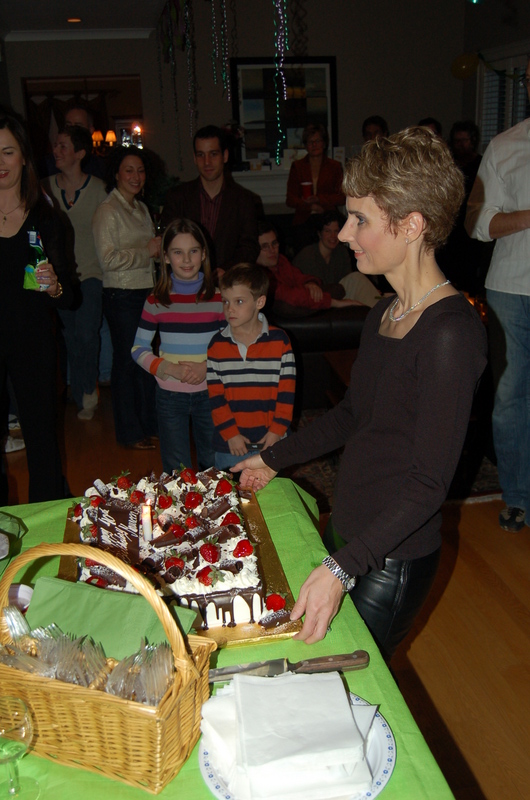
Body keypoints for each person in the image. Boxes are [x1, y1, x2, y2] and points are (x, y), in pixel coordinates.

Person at [234, 127, 487, 659]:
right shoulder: (384, 313)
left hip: (390, 559)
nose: (346, 232)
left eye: (360, 219)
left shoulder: (450, 333)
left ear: (412, 225)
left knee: (344, 679)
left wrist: (341, 568)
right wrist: (272, 458)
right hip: (350, 532)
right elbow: (352, 414)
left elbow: (428, 482)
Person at [465, 60, 530, 533]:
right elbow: (476, 221)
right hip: (510, 290)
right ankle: (519, 497)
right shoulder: (506, 145)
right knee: (510, 399)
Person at [0, 107, 73, 501]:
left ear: (24, 156)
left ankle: (47, 521)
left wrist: (55, 287)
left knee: (42, 441)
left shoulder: (45, 219)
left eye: (7, 151)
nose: (0, 162)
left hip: (33, 342)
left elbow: (71, 296)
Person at [131, 218, 225, 472]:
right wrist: (168, 368)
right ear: (165, 257)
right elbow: (138, 349)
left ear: (203, 254)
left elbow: (230, 347)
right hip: (170, 396)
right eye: (178, 252)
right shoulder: (156, 300)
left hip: (211, 393)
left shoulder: (219, 298)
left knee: (214, 463)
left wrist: (207, 367)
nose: (186, 259)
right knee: (176, 468)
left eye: (193, 251)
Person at [93, 145, 160, 450]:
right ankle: (130, 432)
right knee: (127, 363)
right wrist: (146, 251)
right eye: (129, 170)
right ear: (117, 174)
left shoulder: (140, 208)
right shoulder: (108, 210)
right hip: (121, 295)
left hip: (145, 292)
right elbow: (108, 260)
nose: (136, 176)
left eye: (140, 170)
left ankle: (149, 425)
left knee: (145, 361)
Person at [42, 125, 107, 420]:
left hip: (91, 273)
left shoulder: (99, 189)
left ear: (80, 153)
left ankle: (87, 393)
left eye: (63, 146)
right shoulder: (44, 188)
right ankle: (79, 390)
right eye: (56, 145)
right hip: (59, 276)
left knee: (87, 334)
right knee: (70, 336)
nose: (56, 151)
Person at [207, 263, 296, 471]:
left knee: (275, 490)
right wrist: (231, 434)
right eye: (225, 301)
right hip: (230, 445)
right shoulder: (216, 345)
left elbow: (286, 394)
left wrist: (276, 431)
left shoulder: (280, 341)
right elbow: (216, 397)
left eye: (239, 301)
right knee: (230, 491)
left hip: (272, 441)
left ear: (259, 302)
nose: (230, 309)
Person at [161, 125, 259, 274]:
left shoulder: (244, 200)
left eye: (213, 154)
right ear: (194, 158)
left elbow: (249, 247)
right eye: (201, 155)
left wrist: (226, 270)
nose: (207, 162)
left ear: (225, 156)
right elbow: (167, 241)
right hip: (185, 279)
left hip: (228, 281)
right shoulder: (177, 197)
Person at [437, 121, 493, 295]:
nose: (460, 145)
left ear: (472, 141)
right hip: (450, 229)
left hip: (471, 231)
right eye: (457, 141)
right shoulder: (449, 165)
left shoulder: (482, 165)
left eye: (464, 140)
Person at [257, 221, 355, 317]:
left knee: (337, 289)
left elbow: (298, 276)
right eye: (265, 246)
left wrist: (310, 282)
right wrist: (333, 303)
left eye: (274, 243)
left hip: (300, 296)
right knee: (286, 305)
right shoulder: (259, 274)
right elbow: (290, 295)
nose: (272, 250)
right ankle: (317, 304)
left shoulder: (281, 260)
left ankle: (315, 304)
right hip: (286, 306)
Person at [294, 209, 381, 306]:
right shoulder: (307, 255)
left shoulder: (341, 252)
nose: (333, 236)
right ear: (319, 233)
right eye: (328, 231)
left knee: (359, 281)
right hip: (317, 298)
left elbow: (348, 281)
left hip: (339, 294)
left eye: (336, 231)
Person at [286, 123, 344, 252]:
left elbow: (341, 197)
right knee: (304, 245)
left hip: (328, 216)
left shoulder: (334, 166)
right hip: (304, 218)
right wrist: (310, 206)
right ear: (305, 145)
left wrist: (319, 200)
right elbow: (290, 199)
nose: (314, 145)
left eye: (317, 141)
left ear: (324, 143)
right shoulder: (297, 166)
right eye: (310, 142)